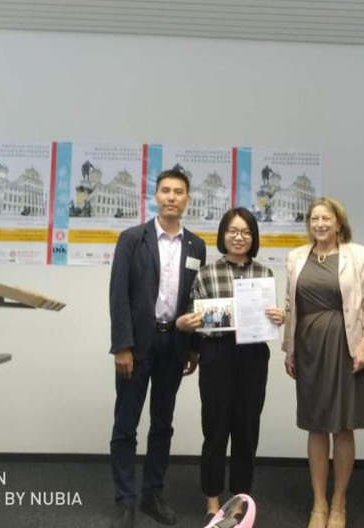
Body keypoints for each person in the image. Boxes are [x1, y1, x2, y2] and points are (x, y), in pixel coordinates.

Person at [109, 168, 207, 528]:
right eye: (165, 190)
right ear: (155, 196)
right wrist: (122, 345)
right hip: (137, 346)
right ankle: (125, 499)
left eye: (178, 192)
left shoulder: (196, 246)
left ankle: (152, 494)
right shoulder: (132, 239)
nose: (171, 197)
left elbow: (196, 298)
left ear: (187, 199)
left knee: (162, 424)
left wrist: (193, 346)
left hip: (175, 344)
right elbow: (118, 295)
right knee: (126, 424)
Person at [176, 207, 285, 525]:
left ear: (253, 237)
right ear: (223, 235)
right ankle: (212, 501)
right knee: (215, 428)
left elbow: (269, 316)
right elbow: (191, 316)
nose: (239, 237)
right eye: (233, 231)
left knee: (247, 430)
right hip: (217, 355)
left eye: (246, 232)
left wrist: (279, 317)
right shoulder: (207, 272)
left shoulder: (264, 273)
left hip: (253, 356)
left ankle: (239, 503)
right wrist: (187, 322)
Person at [283, 197, 364, 528]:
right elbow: (290, 304)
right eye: (314, 219)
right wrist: (289, 350)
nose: (320, 224)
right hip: (308, 346)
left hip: (346, 344)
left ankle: (339, 504)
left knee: (343, 426)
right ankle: (319, 504)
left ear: (339, 223)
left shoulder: (358, 254)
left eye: (326, 218)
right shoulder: (296, 257)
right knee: (316, 424)